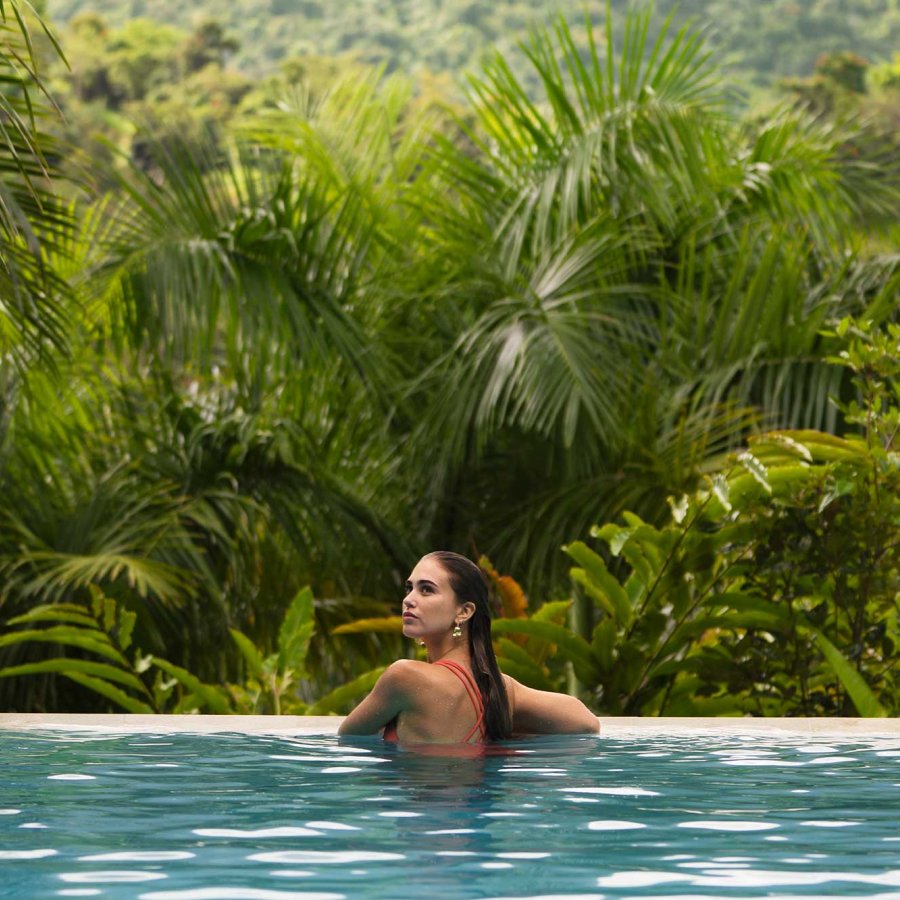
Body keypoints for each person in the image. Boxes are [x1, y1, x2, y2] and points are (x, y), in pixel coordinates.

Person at [338, 551, 600, 744]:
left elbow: (348, 740)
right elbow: (585, 723)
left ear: (464, 612)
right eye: (409, 588)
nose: (408, 600)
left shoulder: (404, 676)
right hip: (478, 814)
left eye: (426, 590)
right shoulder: (500, 688)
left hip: (420, 813)